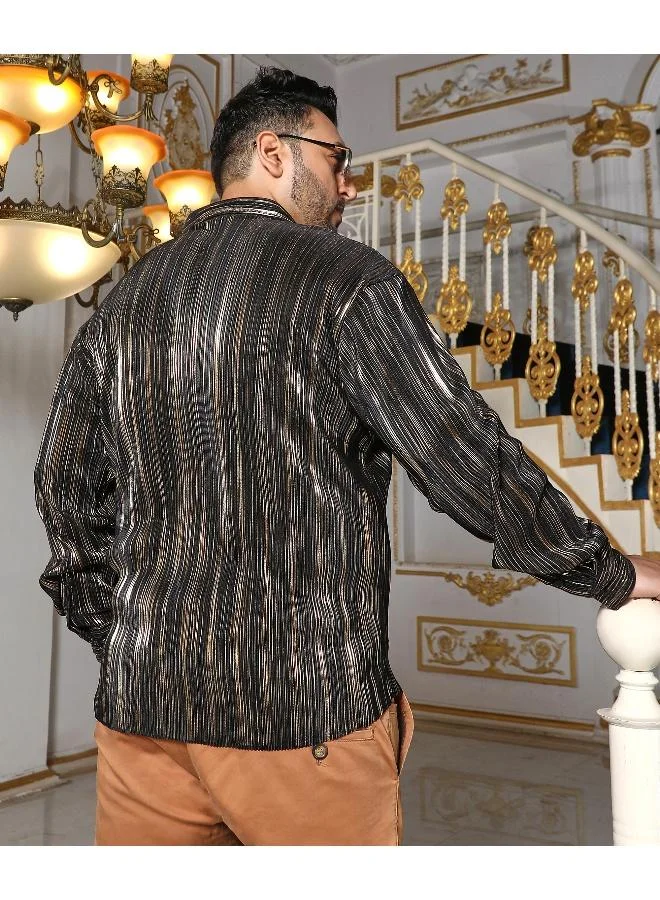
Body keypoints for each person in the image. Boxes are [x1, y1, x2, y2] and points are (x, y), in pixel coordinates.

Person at [34, 66, 660, 847]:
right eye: (336, 160)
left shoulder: (125, 303)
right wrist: (605, 569)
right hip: (303, 719)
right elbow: (461, 454)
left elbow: (65, 496)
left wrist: (129, 637)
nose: (349, 185)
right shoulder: (347, 280)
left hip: (142, 721)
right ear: (273, 152)